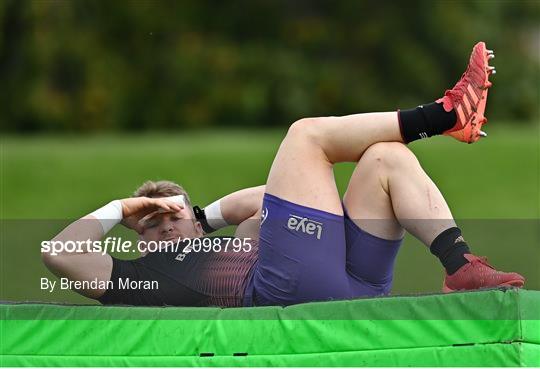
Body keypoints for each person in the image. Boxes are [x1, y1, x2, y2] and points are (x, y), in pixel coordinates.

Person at [42, 42, 525, 307]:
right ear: (138, 238)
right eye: (151, 223)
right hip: (282, 291)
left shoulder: (242, 236)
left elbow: (265, 198)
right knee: (304, 138)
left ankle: (460, 266)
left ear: (196, 223)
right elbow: (58, 254)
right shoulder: (139, 278)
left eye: (174, 215)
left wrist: (205, 218)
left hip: (356, 283)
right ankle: (444, 116)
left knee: (384, 158)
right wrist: (122, 208)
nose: (166, 224)